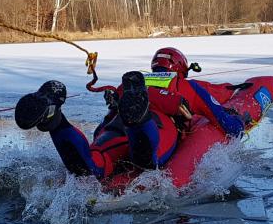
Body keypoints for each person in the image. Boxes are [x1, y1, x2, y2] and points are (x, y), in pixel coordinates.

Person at [14, 48, 247, 180]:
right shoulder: (185, 86)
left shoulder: (128, 85)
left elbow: (110, 111)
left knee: (94, 166)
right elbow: (226, 122)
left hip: (114, 126)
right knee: (147, 160)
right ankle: (139, 120)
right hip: (157, 125)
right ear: (180, 68)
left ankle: (55, 121)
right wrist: (239, 120)